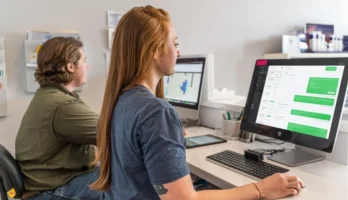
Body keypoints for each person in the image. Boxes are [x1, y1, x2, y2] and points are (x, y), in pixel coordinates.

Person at [91, 5, 304, 200]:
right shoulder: (155, 112)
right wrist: (261, 189)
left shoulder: (122, 100)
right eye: (175, 44)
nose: (179, 52)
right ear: (155, 50)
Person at [15, 37, 101, 200]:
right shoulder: (62, 105)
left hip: (46, 187)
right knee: (129, 175)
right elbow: (115, 131)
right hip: (52, 192)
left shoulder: (49, 96)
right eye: (84, 60)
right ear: (70, 66)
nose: (87, 66)